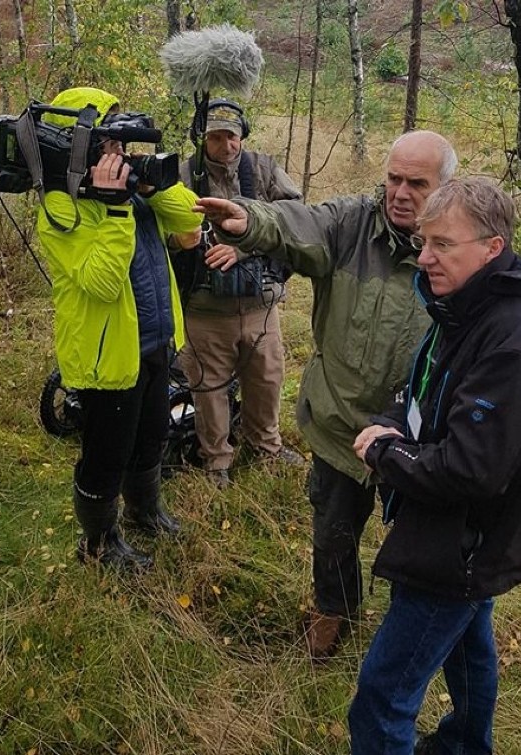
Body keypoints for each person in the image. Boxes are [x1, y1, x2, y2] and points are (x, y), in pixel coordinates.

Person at [348, 177, 521, 755]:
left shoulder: (518, 335)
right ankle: (466, 747)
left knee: (382, 698)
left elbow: (471, 469)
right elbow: (430, 389)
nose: (425, 256)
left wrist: (386, 452)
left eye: (443, 244)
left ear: (492, 247)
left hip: (460, 542)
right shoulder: (471, 304)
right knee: (469, 651)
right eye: (423, 241)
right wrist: (394, 421)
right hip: (463, 536)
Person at [193, 130, 458, 658]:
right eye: (393, 179)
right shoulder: (351, 223)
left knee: (422, 546)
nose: (400, 193)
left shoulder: (460, 246)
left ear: (446, 187)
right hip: (342, 424)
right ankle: (335, 610)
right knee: (333, 533)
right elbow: (299, 223)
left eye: (417, 183)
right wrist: (252, 222)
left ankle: (410, 631)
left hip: (418, 438)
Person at [36, 87, 202, 572]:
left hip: (154, 339)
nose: (118, 155)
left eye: (121, 143)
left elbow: (191, 219)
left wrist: (151, 186)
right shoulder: (61, 208)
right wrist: (113, 209)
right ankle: (98, 544)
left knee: (152, 434)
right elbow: (103, 282)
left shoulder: (130, 187)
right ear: (79, 145)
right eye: (107, 144)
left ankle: (145, 512)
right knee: (107, 453)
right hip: (105, 354)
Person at [176, 98, 305, 489]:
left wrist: (244, 245)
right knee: (208, 387)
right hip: (205, 309)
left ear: (242, 136)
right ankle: (216, 461)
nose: (226, 146)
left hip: (260, 307)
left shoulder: (264, 170)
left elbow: (297, 220)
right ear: (202, 138)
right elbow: (161, 227)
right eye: (215, 137)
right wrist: (185, 240)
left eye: (231, 137)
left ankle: (265, 447)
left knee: (266, 380)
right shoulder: (183, 174)